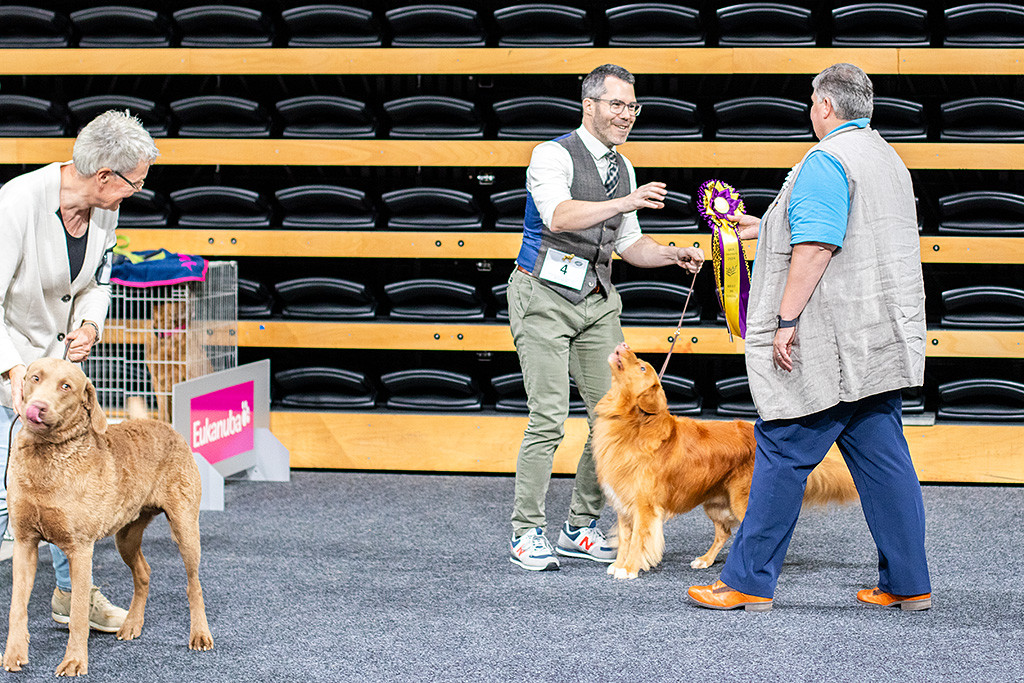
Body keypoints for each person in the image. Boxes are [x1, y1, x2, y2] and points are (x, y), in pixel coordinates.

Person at [688, 63, 931, 611]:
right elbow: (844, 227)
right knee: (884, 459)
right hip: (877, 336)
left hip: (828, 339)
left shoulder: (826, 160)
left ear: (825, 106)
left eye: (811, 103)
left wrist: (786, 319)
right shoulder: (885, 157)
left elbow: (819, 244)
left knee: (779, 449)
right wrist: (761, 227)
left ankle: (746, 582)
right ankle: (909, 583)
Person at [507, 64, 704, 571]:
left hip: (596, 300)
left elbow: (630, 245)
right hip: (543, 295)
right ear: (589, 105)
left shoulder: (624, 167)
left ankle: (579, 526)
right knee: (547, 416)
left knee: (613, 419)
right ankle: (526, 532)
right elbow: (559, 216)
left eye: (633, 107)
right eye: (617, 105)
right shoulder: (552, 154)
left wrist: (671, 253)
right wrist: (625, 200)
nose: (627, 115)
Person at [0, 109, 159, 630]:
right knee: (11, 503)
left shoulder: (103, 210)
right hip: (11, 362)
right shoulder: (15, 204)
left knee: (68, 489)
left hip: (53, 372)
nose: (136, 191)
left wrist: (90, 324)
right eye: (135, 182)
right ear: (104, 176)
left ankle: (74, 595)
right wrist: (14, 375)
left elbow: (97, 281)